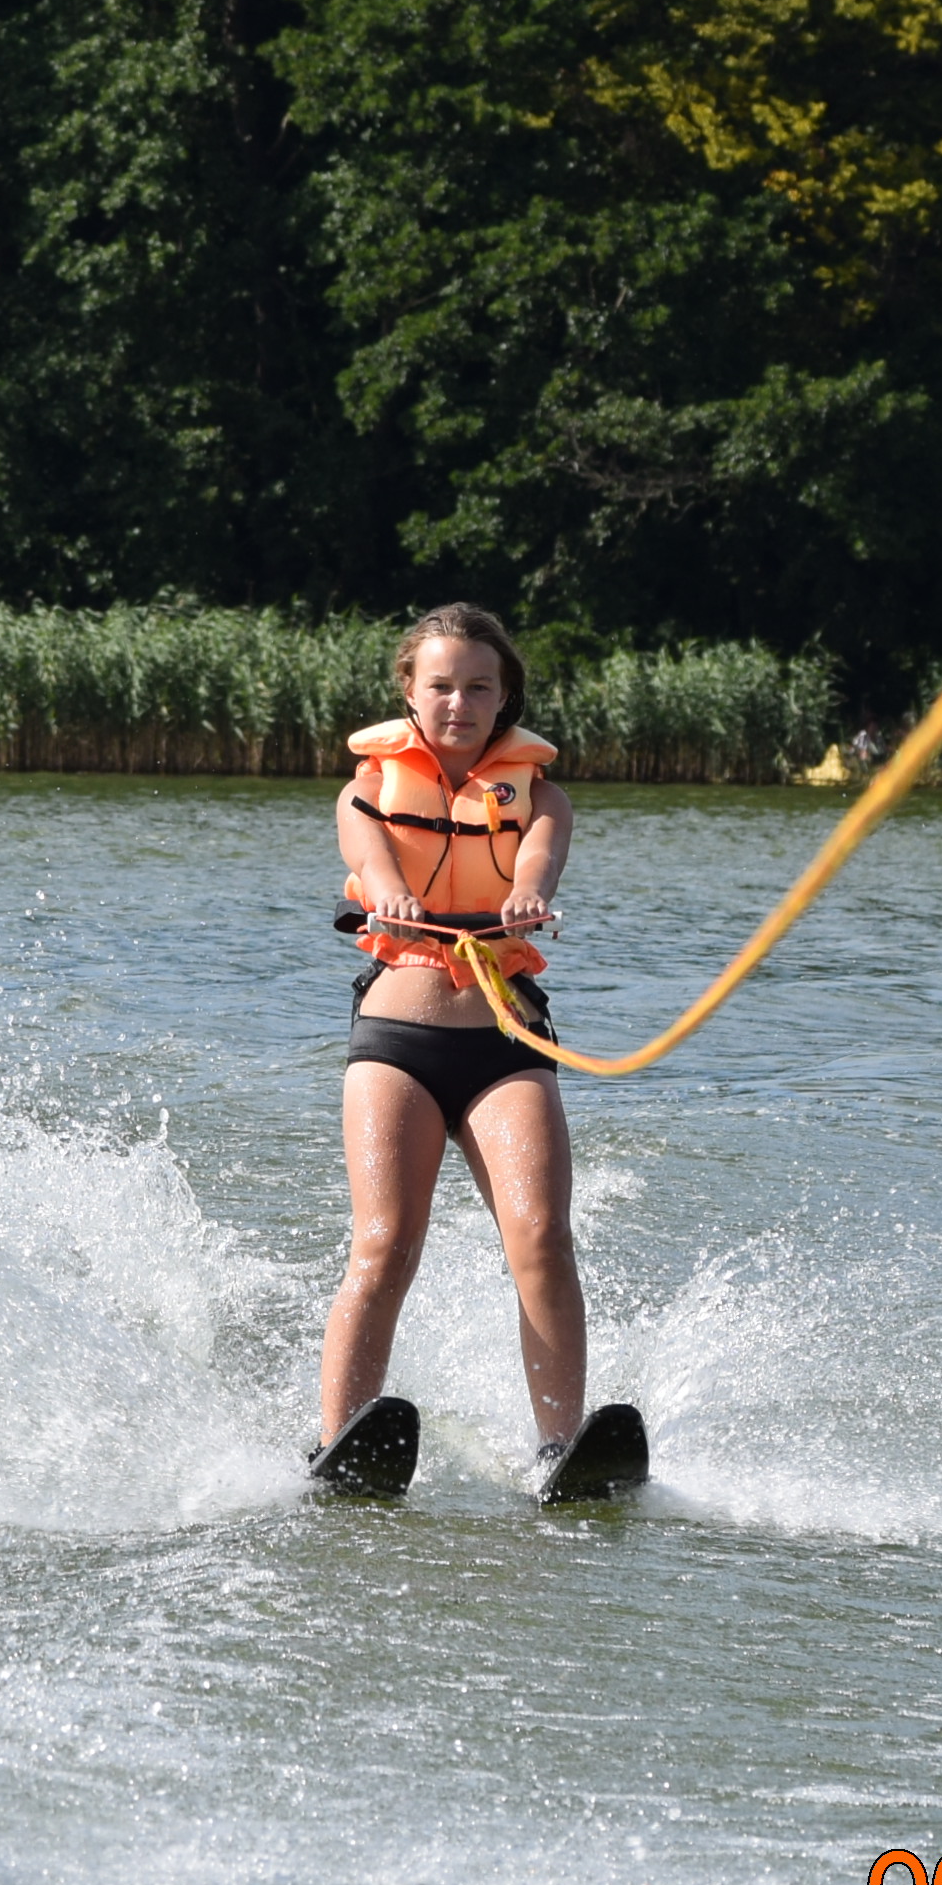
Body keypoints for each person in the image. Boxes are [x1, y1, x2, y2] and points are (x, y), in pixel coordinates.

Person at [318, 601, 619, 1490]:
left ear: (503, 698)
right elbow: (370, 862)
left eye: (479, 687)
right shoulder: (366, 791)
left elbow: (536, 863)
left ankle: (560, 1450)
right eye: (441, 685)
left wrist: (526, 898)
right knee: (384, 1246)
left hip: (505, 1041)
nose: (459, 702)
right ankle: (337, 1444)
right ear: (410, 691)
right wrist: (393, 894)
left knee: (542, 1239)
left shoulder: (543, 800)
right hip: (398, 1043)